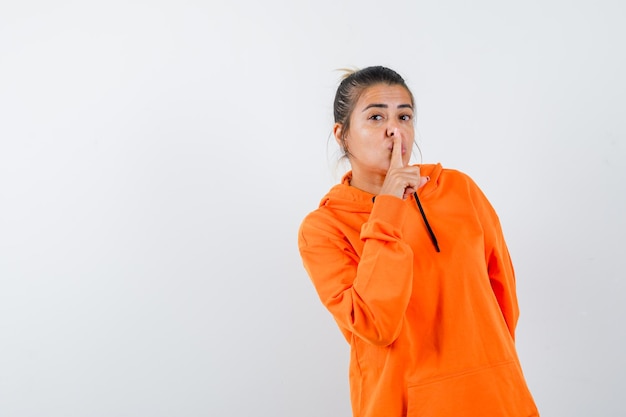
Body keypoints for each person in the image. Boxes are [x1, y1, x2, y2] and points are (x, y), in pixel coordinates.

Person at [297, 66, 540, 417]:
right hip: (404, 404)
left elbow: (504, 297)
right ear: (342, 135)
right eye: (376, 116)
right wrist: (389, 205)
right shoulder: (323, 228)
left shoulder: (459, 190)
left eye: (404, 116)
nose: (395, 130)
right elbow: (375, 324)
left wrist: (495, 367)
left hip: (496, 396)